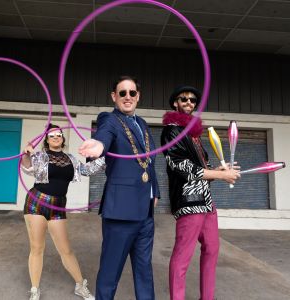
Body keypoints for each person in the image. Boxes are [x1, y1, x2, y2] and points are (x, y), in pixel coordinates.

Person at [78, 76, 160, 300]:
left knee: (145, 272)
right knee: (110, 272)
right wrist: (99, 144)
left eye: (132, 93)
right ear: (114, 96)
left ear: (138, 96)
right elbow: (105, 135)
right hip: (120, 212)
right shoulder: (109, 120)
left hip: (146, 213)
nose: (127, 97)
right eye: (122, 93)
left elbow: (149, 161)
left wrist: (156, 192)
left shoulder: (142, 124)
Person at [160, 86, 240, 300]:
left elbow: (202, 165)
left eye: (193, 100)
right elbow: (178, 165)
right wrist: (220, 175)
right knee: (183, 254)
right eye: (183, 99)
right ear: (175, 103)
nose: (189, 102)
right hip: (188, 200)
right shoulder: (172, 130)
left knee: (212, 248)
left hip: (206, 200)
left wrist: (219, 171)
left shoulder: (194, 134)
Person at [21, 124, 105, 300]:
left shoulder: (71, 159)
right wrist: (26, 154)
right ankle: (35, 290)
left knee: (66, 249)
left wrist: (103, 154)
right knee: (37, 248)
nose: (56, 137)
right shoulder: (39, 156)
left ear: (63, 138)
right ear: (47, 139)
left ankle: (80, 285)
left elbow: (87, 170)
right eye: (52, 135)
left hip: (58, 205)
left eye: (59, 134)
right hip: (36, 202)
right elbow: (28, 168)